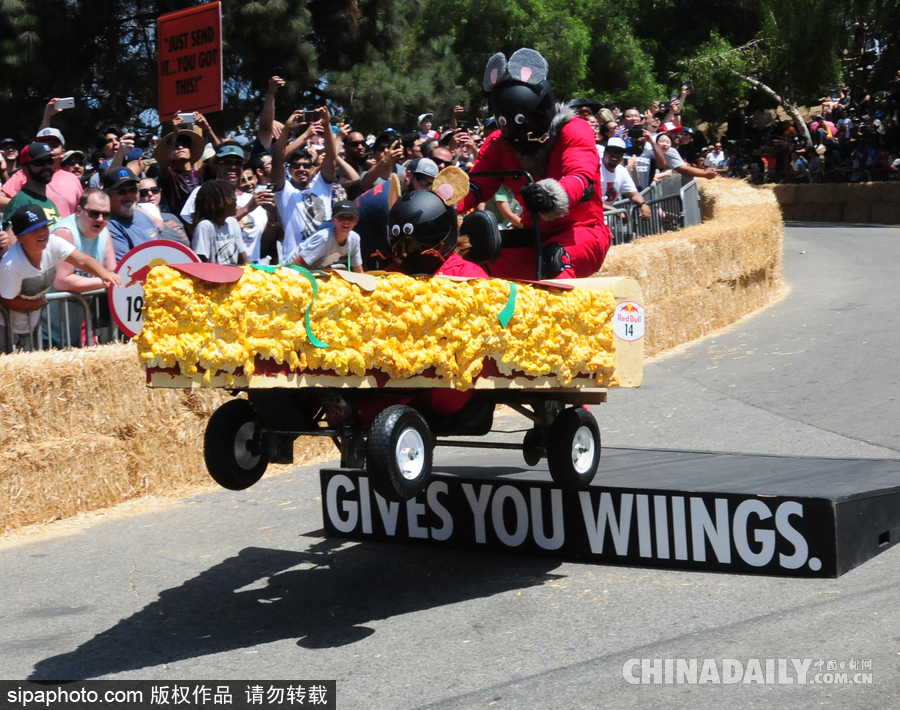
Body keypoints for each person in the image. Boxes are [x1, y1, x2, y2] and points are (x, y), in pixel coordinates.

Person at [459, 48, 611, 280]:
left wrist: (552, 195)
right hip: (535, 235)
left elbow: (580, 176)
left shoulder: (574, 129)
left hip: (583, 232)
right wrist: (442, 203)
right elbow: (476, 186)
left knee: (555, 259)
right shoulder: (498, 144)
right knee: (473, 256)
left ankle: (557, 315)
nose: (518, 137)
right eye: (507, 125)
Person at [0, 204, 121, 352]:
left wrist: (104, 274)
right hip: (4, 329)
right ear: (20, 238)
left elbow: (82, 260)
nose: (42, 233)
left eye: (44, 227)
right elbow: (6, 299)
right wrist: (34, 304)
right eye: (33, 230)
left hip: (30, 327)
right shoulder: (11, 264)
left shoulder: (53, 242)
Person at [47, 188, 119, 346]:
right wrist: (106, 280)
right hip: (45, 331)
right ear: (79, 211)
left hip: (75, 327)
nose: (100, 219)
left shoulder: (104, 233)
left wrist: (111, 277)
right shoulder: (65, 233)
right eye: (94, 213)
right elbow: (63, 281)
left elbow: (112, 270)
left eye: (106, 215)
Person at [271, 107, 337, 262]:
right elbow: (276, 161)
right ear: (290, 170)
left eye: (306, 166)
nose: (301, 169)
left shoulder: (322, 186)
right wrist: (287, 129)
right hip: (294, 262)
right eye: (296, 166)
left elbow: (331, 157)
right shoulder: (285, 191)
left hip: (325, 259)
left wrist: (327, 125)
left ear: (313, 168)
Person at [0, 128, 82, 218]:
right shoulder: (23, 174)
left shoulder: (72, 179)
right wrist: (26, 206)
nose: (48, 148)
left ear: (62, 152)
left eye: (54, 145)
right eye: (43, 144)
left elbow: (81, 211)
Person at [2, 143, 61, 255]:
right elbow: (11, 252)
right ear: (25, 169)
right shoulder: (20, 202)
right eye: (39, 163)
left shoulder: (49, 202)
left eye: (49, 161)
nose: (46, 166)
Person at [104, 167, 161, 262]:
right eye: (122, 191)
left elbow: (163, 251)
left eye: (133, 189)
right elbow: (126, 267)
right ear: (107, 194)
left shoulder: (144, 216)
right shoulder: (109, 226)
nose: (129, 195)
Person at [289, 199, 363, 272]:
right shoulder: (324, 238)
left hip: (316, 272)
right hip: (290, 271)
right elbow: (296, 263)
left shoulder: (354, 238)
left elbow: (358, 271)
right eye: (341, 217)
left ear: (356, 221)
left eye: (350, 218)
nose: (346, 221)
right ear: (333, 220)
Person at [190, 180, 247, 265]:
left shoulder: (232, 222)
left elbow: (243, 260)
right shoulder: (205, 226)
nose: (236, 201)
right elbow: (200, 264)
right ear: (220, 203)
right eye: (233, 198)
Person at [600, 138, 651, 221]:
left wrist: (643, 204)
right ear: (605, 152)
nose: (615, 155)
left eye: (619, 152)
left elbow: (633, 194)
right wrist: (614, 210)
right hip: (587, 218)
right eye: (611, 151)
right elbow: (591, 202)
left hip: (606, 218)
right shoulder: (595, 169)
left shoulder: (621, 170)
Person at [137, 177, 190, 247]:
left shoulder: (172, 217)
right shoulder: (137, 221)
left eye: (154, 190)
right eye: (144, 192)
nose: (150, 194)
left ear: (160, 192)